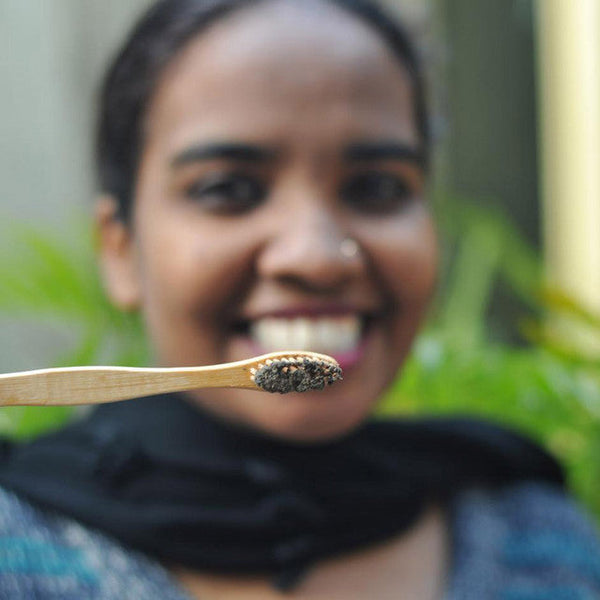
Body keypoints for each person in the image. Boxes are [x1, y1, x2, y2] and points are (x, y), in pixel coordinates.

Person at [0, 0, 599, 598]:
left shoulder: (543, 544)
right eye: (229, 189)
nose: (315, 256)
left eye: (377, 188)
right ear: (120, 250)